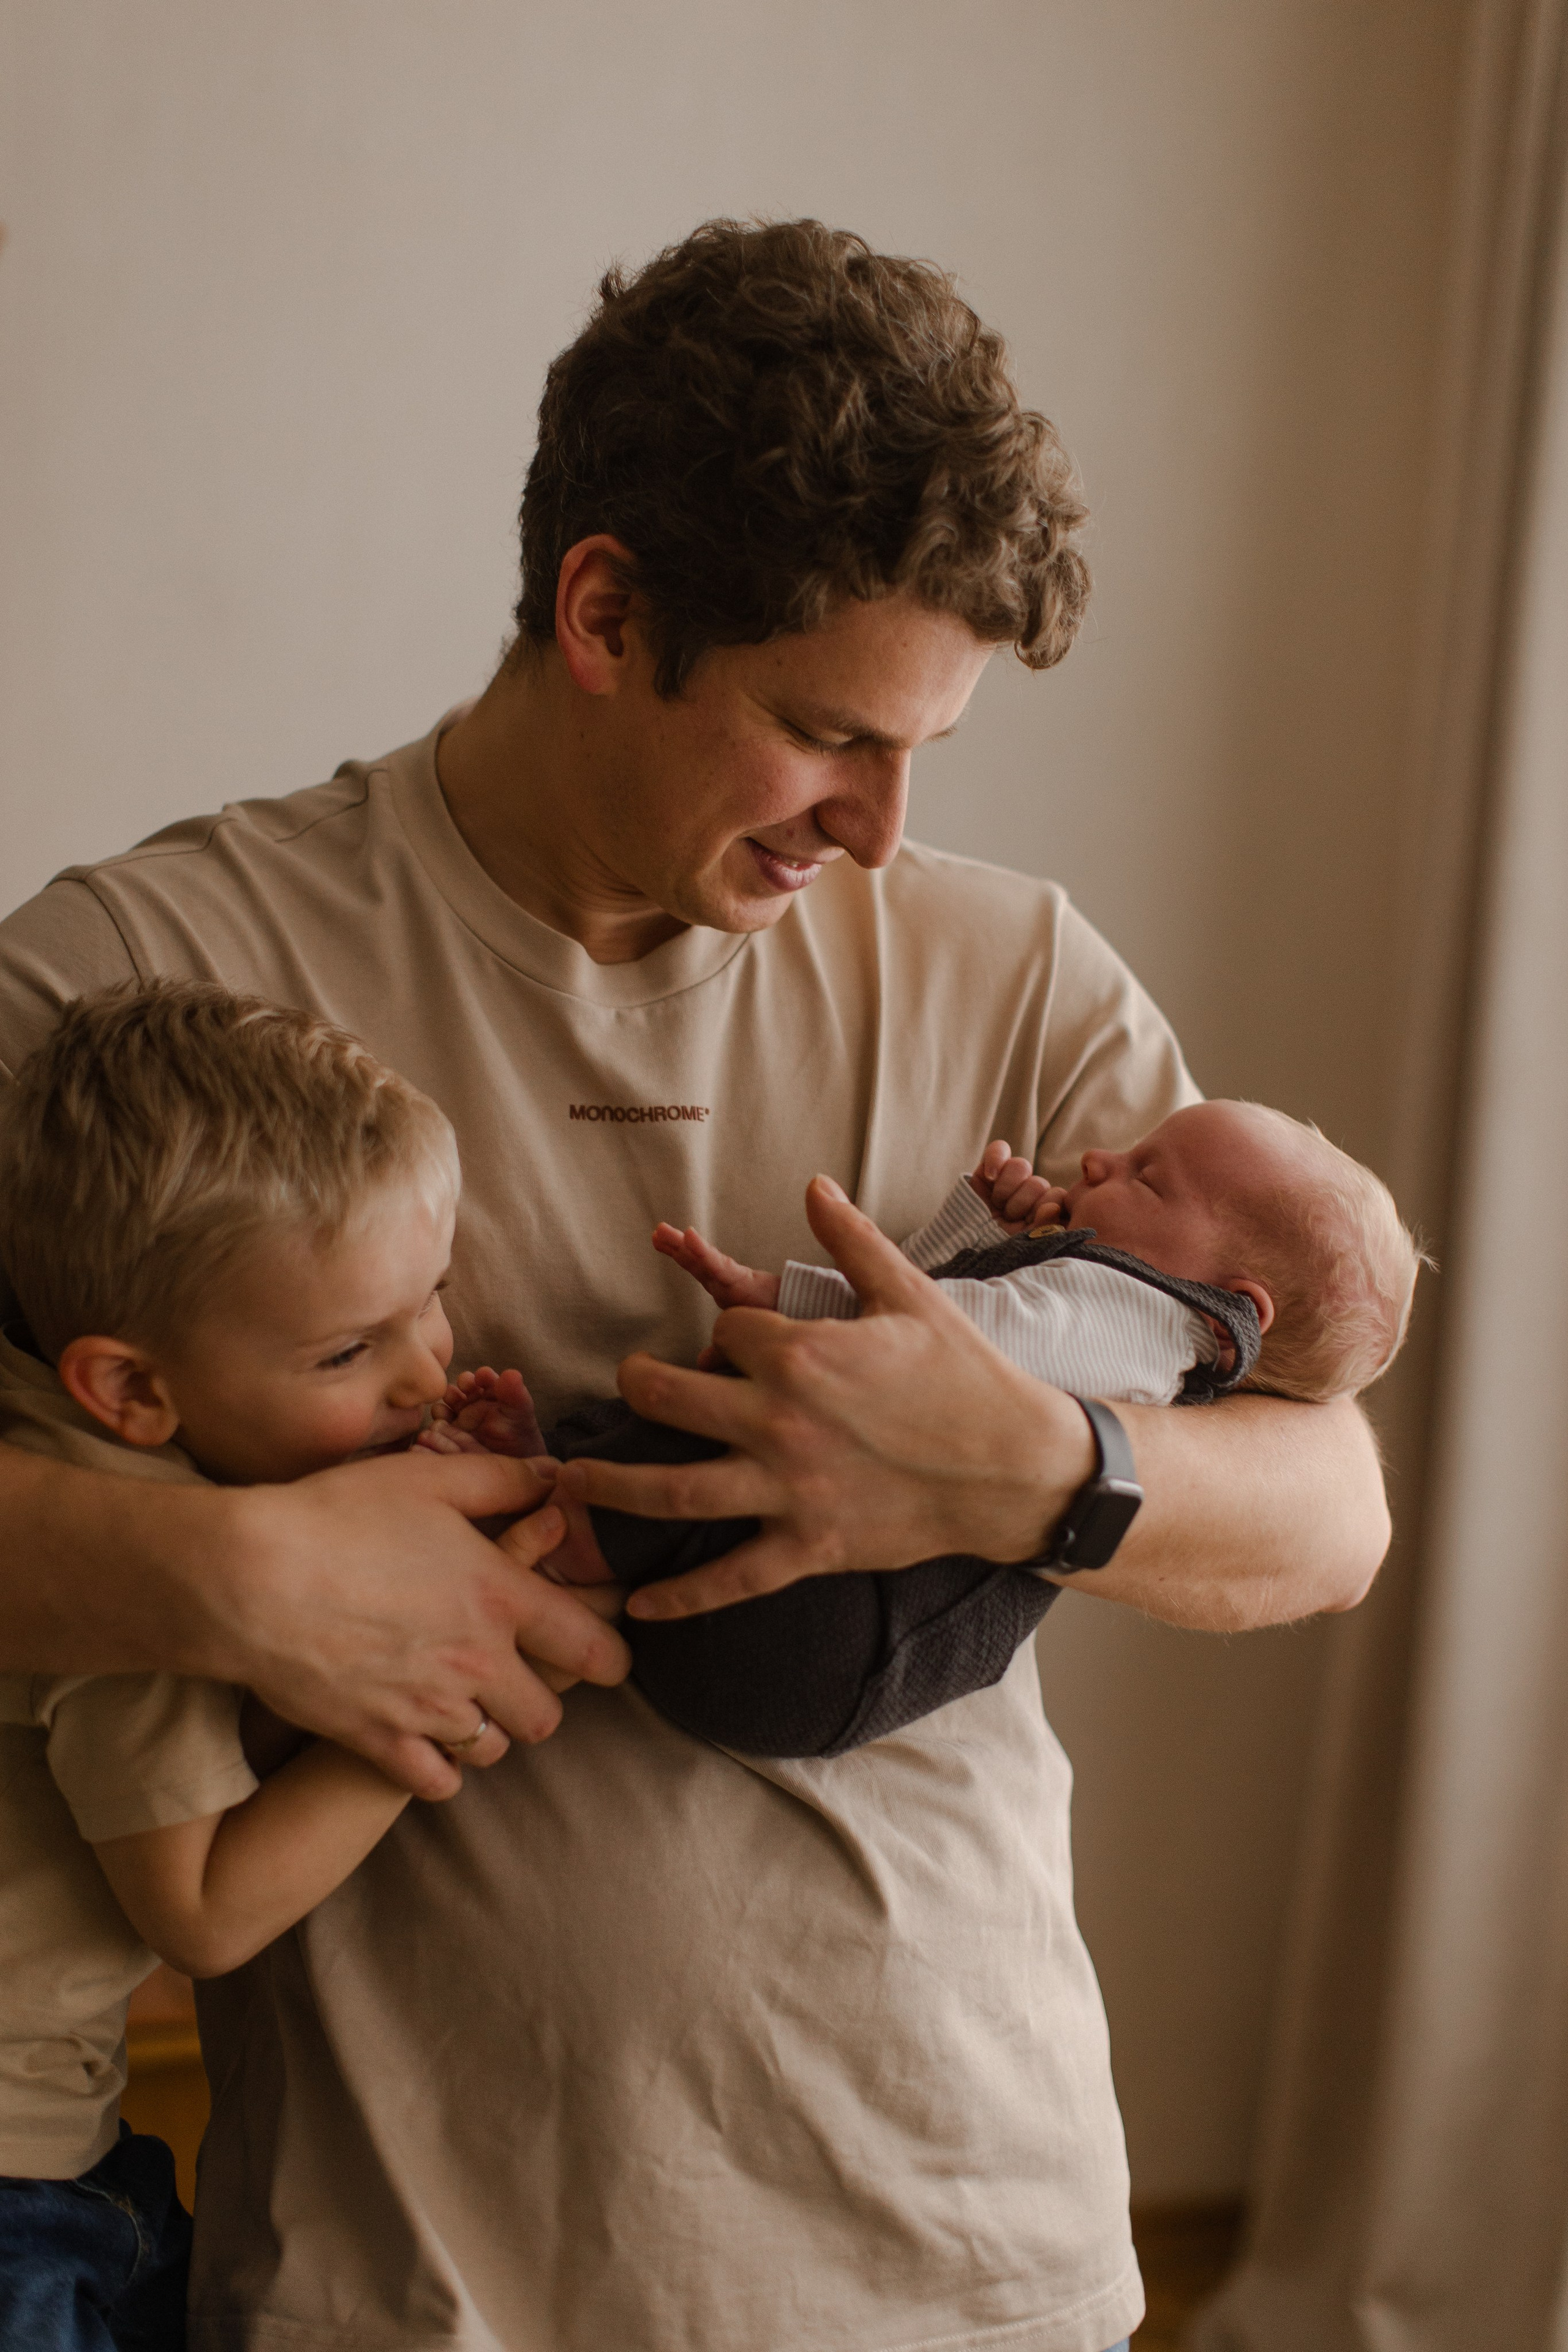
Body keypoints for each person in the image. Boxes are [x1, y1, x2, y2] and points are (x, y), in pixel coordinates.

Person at [0, 219, 1390, 2352]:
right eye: (829, 734)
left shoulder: (1014, 977)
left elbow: (1331, 1505)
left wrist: (1037, 1469)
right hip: (415, 2283)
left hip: (969, 2252)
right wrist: (239, 1587)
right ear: (605, 608)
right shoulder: (138, 986)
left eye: (929, 748)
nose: (888, 829)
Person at [0, 984, 600, 2350]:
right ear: (133, 1392)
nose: (422, 1373)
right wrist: (445, 1696)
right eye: (347, 1351)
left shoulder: (38, 1423)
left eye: (428, 1300)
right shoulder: (147, 1587)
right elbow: (201, 1914)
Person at [426, 1101, 1422, 1758]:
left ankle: (558, 1521)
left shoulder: (1150, 1320)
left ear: (1231, 1308)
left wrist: (787, 1300)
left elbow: (934, 1337)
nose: (1098, 1156)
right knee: (713, 1426)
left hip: (827, 1638)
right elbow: (943, 1299)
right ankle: (559, 1481)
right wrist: (980, 1231)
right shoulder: (1122, 1288)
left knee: (714, 1436)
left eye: (1148, 1178)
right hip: (793, 1651)